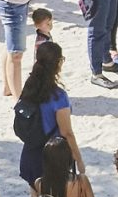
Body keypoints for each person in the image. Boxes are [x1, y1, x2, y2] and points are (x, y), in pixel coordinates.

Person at [16, 41, 84, 185]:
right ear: (58, 63)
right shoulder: (58, 96)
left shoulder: (30, 86)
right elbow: (67, 132)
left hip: (30, 152)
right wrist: (79, 159)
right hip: (52, 157)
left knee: (34, 196)